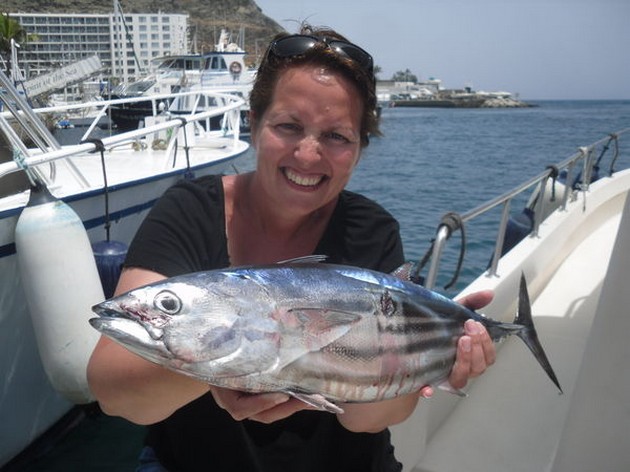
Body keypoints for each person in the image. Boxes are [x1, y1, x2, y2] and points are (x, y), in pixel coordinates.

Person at [87, 24, 496, 472]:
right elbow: (114, 394)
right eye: (288, 126)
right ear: (255, 124)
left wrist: (437, 360)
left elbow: (369, 420)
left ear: (360, 148)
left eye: (336, 136)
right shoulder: (190, 211)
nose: (307, 154)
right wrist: (222, 368)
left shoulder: (371, 230)